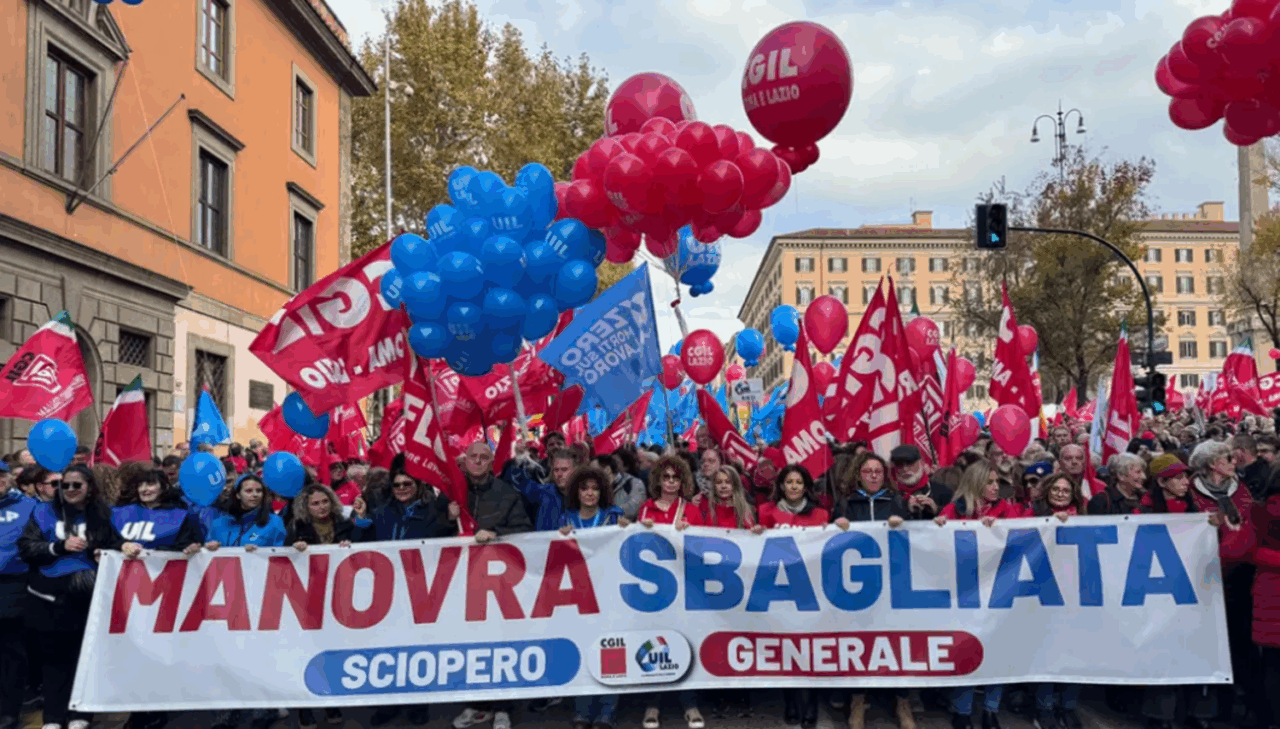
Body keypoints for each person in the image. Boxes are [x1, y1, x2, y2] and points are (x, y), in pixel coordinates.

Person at [19, 465, 141, 729]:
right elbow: (27, 548)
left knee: (83, 658)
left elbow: (111, 541)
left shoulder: (100, 514)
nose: (70, 490)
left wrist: (122, 547)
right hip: (49, 598)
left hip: (86, 598)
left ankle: (80, 715)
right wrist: (59, 547)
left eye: (77, 485)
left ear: (89, 489)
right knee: (54, 661)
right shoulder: (41, 512)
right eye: (65, 485)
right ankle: (53, 717)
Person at [453, 442, 532, 729]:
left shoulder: (507, 494)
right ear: (465, 461)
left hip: (499, 579)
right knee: (470, 645)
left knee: (500, 643)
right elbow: (432, 532)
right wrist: (445, 515)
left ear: (491, 462)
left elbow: (524, 531)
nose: (477, 461)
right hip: (460, 581)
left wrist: (496, 533)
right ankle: (476, 705)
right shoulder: (452, 492)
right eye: (472, 456)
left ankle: (503, 707)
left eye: (483, 457)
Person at [832, 453, 914, 729]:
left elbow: (918, 537)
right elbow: (829, 543)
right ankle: (858, 700)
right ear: (859, 475)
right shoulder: (845, 503)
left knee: (897, 643)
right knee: (860, 643)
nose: (873, 475)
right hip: (858, 587)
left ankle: (902, 702)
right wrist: (837, 526)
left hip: (892, 584)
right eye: (867, 471)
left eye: (878, 471)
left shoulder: (896, 501)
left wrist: (904, 522)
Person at [934, 461, 1012, 729]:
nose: (995, 487)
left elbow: (1026, 535)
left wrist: (1001, 527)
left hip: (999, 591)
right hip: (964, 593)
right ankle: (962, 709)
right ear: (975, 483)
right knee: (966, 649)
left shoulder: (1005, 510)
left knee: (999, 650)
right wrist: (938, 527)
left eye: (997, 482)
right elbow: (938, 547)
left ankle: (991, 709)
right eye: (990, 482)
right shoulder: (952, 511)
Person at [290, 483, 369, 729]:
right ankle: (303, 707)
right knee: (302, 651)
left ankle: (329, 699)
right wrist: (294, 549)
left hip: (336, 598)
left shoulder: (345, 524)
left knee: (328, 650)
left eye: (324, 502)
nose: (321, 507)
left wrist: (355, 537)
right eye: (315, 503)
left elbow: (367, 545)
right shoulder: (296, 528)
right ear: (306, 506)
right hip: (305, 598)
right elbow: (282, 557)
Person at [635, 454, 704, 729]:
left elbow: (705, 548)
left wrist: (690, 532)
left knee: (685, 643)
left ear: (683, 481)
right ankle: (652, 704)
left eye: (676, 478)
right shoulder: (645, 509)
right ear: (658, 479)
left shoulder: (692, 510)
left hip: (685, 586)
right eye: (666, 477)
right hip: (653, 589)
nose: (671, 482)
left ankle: (690, 703)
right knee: (655, 643)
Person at [0, 463, 35, 729]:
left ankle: (9, 710)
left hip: (13, 584)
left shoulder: (27, 506)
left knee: (11, 651)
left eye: (1, 476)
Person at [204, 474, 288, 551]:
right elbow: (206, 554)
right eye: (249, 491)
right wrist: (207, 548)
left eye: (259, 491)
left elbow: (281, 556)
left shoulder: (275, 523)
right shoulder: (218, 524)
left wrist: (259, 553)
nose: (255, 494)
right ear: (238, 495)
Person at [591, 454, 646, 521]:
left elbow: (633, 510)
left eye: (594, 471)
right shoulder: (594, 487)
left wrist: (607, 513)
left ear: (607, 470)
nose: (591, 474)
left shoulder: (633, 483)